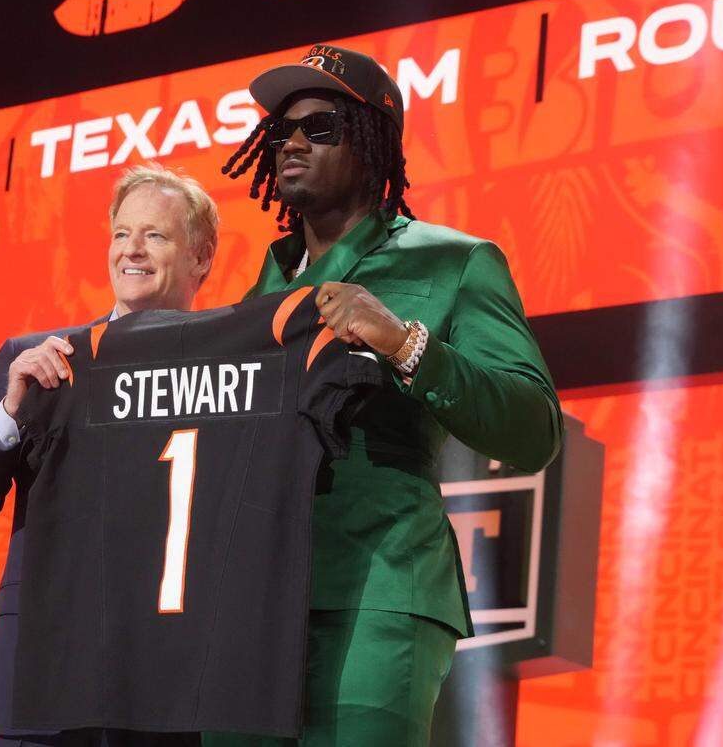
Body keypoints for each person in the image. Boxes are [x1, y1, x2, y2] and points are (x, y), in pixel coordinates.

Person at [204, 45, 564, 746]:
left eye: (322, 126)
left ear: (374, 143)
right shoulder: (259, 290)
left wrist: (406, 344)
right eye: (280, 133)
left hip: (377, 588)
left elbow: (533, 428)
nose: (293, 143)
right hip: (249, 599)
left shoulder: (455, 259)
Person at [0, 164, 216, 747]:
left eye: (156, 236)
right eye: (121, 234)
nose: (131, 250)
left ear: (202, 258)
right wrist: (10, 412)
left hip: (167, 676)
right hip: (43, 667)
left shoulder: (229, 374)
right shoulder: (36, 360)